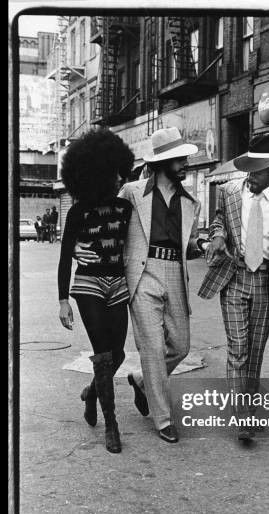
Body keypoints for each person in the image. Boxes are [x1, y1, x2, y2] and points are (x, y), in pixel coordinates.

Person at [74, 127, 207, 444]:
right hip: (141, 274)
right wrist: (83, 243)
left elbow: (187, 246)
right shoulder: (132, 192)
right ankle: (163, 419)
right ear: (165, 161)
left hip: (175, 271)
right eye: (180, 159)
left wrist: (204, 245)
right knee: (152, 347)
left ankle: (141, 381)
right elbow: (103, 214)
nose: (186, 164)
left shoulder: (191, 202)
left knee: (181, 346)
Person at [198, 133, 269, 441]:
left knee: (255, 351)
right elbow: (218, 222)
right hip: (234, 276)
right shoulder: (228, 192)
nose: (251, 176)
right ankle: (242, 418)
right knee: (238, 348)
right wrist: (217, 237)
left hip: (265, 279)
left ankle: (249, 409)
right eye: (249, 169)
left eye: (257, 170)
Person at [58, 129, 134, 454]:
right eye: (112, 173)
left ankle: (91, 392)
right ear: (97, 174)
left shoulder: (125, 208)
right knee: (103, 354)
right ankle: (111, 424)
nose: (118, 178)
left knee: (118, 354)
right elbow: (64, 258)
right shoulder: (77, 213)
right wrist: (63, 300)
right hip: (88, 285)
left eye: (120, 172)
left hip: (118, 284)